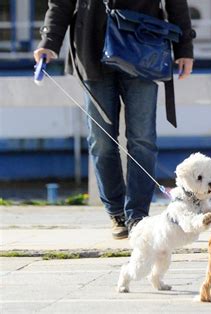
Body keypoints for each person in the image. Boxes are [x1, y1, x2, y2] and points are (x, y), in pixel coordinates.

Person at [34, 0, 195, 239]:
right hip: (92, 49)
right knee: (101, 139)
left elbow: (176, 3)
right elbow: (61, 3)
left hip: (144, 47)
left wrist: (185, 49)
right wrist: (49, 42)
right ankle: (116, 213)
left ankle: (138, 215)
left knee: (142, 138)